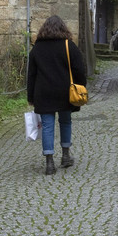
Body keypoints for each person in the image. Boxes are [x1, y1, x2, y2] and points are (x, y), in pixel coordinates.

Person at [26, 14, 87, 175]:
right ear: (63, 28)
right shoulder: (69, 46)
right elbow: (79, 69)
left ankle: (49, 162)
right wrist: (81, 87)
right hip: (64, 92)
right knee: (65, 121)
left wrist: (30, 97)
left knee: (47, 125)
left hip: (43, 92)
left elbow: (31, 75)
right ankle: (66, 156)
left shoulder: (37, 48)